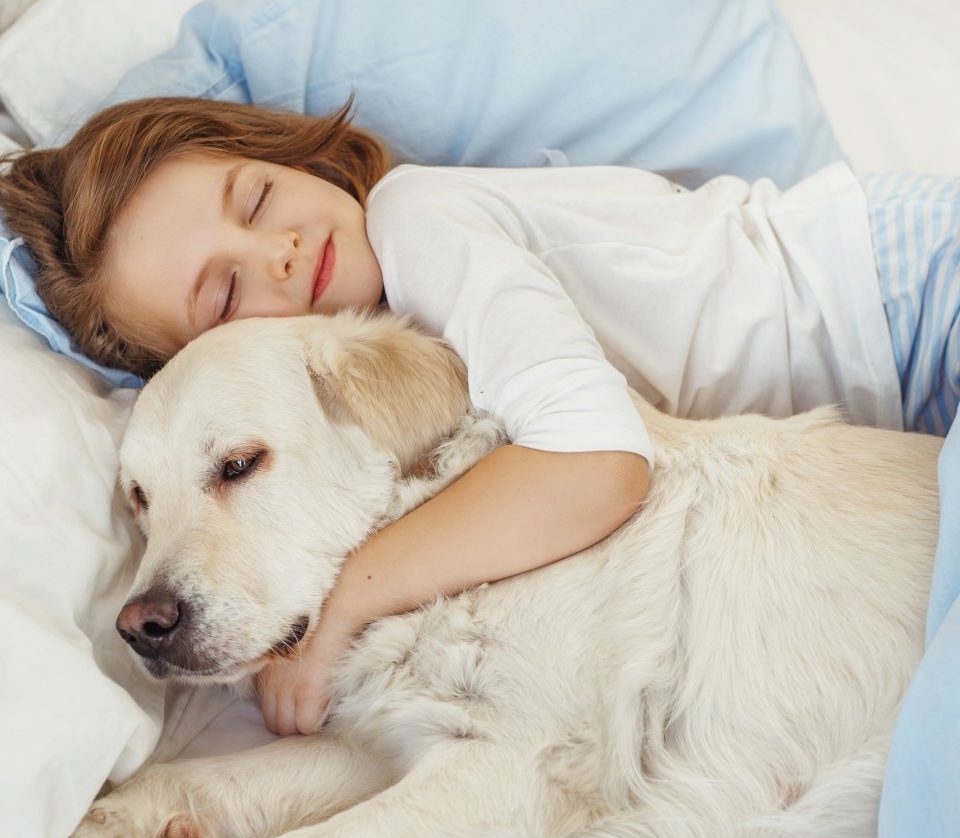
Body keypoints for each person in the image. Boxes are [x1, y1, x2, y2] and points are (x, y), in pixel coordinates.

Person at [0, 96, 931, 738]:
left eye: (256, 199)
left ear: (291, 155)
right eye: (228, 293)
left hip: (917, 294)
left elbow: (601, 464)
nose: (278, 252)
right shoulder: (398, 346)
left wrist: (342, 611)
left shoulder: (419, 220)